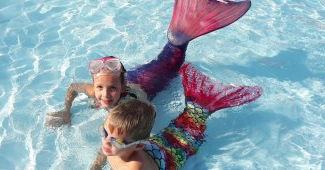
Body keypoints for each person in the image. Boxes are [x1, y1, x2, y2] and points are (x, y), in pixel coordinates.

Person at [69, 63, 263, 170]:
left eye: (117, 140)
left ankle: (206, 104)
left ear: (137, 146)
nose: (107, 142)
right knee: (174, 130)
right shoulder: (111, 143)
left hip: (167, 160)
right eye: (105, 132)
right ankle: (198, 104)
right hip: (154, 145)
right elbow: (100, 159)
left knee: (188, 136)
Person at [46, 0, 252, 127]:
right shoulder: (97, 90)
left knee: (172, 55)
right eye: (100, 88)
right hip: (137, 74)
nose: (105, 94)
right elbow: (73, 87)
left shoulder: (130, 104)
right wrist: (66, 111)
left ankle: (187, 29)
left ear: (122, 88)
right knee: (164, 54)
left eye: (112, 89)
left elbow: (150, 110)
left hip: (155, 80)